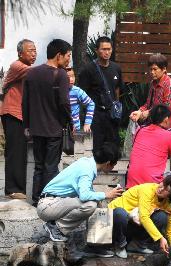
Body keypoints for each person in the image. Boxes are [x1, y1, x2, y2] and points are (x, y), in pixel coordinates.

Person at [37, 143, 122, 244]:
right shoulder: (87, 170)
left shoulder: (87, 163)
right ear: (108, 163)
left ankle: (97, 244)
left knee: (97, 203)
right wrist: (106, 194)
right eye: (114, 164)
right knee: (90, 205)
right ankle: (55, 228)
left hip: (53, 203)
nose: (114, 167)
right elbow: (84, 196)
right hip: (48, 205)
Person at [22, 39, 72, 205]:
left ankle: (36, 199)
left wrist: (27, 125)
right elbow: (64, 103)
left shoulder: (31, 73)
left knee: (39, 166)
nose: (68, 60)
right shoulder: (61, 74)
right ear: (59, 55)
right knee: (51, 166)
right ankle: (48, 200)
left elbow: (25, 102)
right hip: (53, 129)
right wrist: (70, 122)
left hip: (36, 129)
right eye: (68, 56)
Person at [108, 175, 171, 266]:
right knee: (120, 213)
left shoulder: (166, 204)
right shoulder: (147, 190)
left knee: (162, 217)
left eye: (166, 190)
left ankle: (137, 244)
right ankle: (120, 245)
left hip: (132, 223)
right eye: (163, 184)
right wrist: (160, 238)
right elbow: (144, 217)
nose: (161, 188)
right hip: (115, 222)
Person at [0, 39, 36, 200]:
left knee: (21, 151)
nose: (34, 53)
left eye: (35, 50)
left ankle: (19, 187)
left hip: (22, 114)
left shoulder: (27, 68)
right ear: (20, 53)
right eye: (30, 50)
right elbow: (38, 74)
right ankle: (12, 189)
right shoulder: (17, 66)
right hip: (13, 112)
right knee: (15, 151)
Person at [78, 36, 124, 150]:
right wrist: (85, 117)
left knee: (113, 148)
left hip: (112, 115)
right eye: (103, 49)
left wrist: (116, 107)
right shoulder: (88, 69)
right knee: (97, 149)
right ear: (96, 50)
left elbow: (117, 89)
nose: (107, 52)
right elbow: (81, 94)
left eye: (109, 49)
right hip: (96, 115)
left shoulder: (116, 68)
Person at [126, 104, 171, 188]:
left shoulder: (139, 130)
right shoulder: (169, 136)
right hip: (152, 186)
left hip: (131, 185)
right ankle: (170, 200)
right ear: (166, 120)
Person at [130, 54, 171, 129]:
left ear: (164, 69)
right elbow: (148, 104)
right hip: (155, 126)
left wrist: (148, 113)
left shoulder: (170, 84)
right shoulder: (153, 83)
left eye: (155, 69)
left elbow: (166, 108)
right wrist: (139, 112)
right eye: (150, 69)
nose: (152, 72)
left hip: (169, 128)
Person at [66, 68, 94, 133]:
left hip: (74, 129)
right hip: (58, 128)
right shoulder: (57, 90)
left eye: (73, 76)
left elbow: (91, 104)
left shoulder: (77, 91)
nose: (71, 79)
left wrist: (87, 123)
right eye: (68, 77)